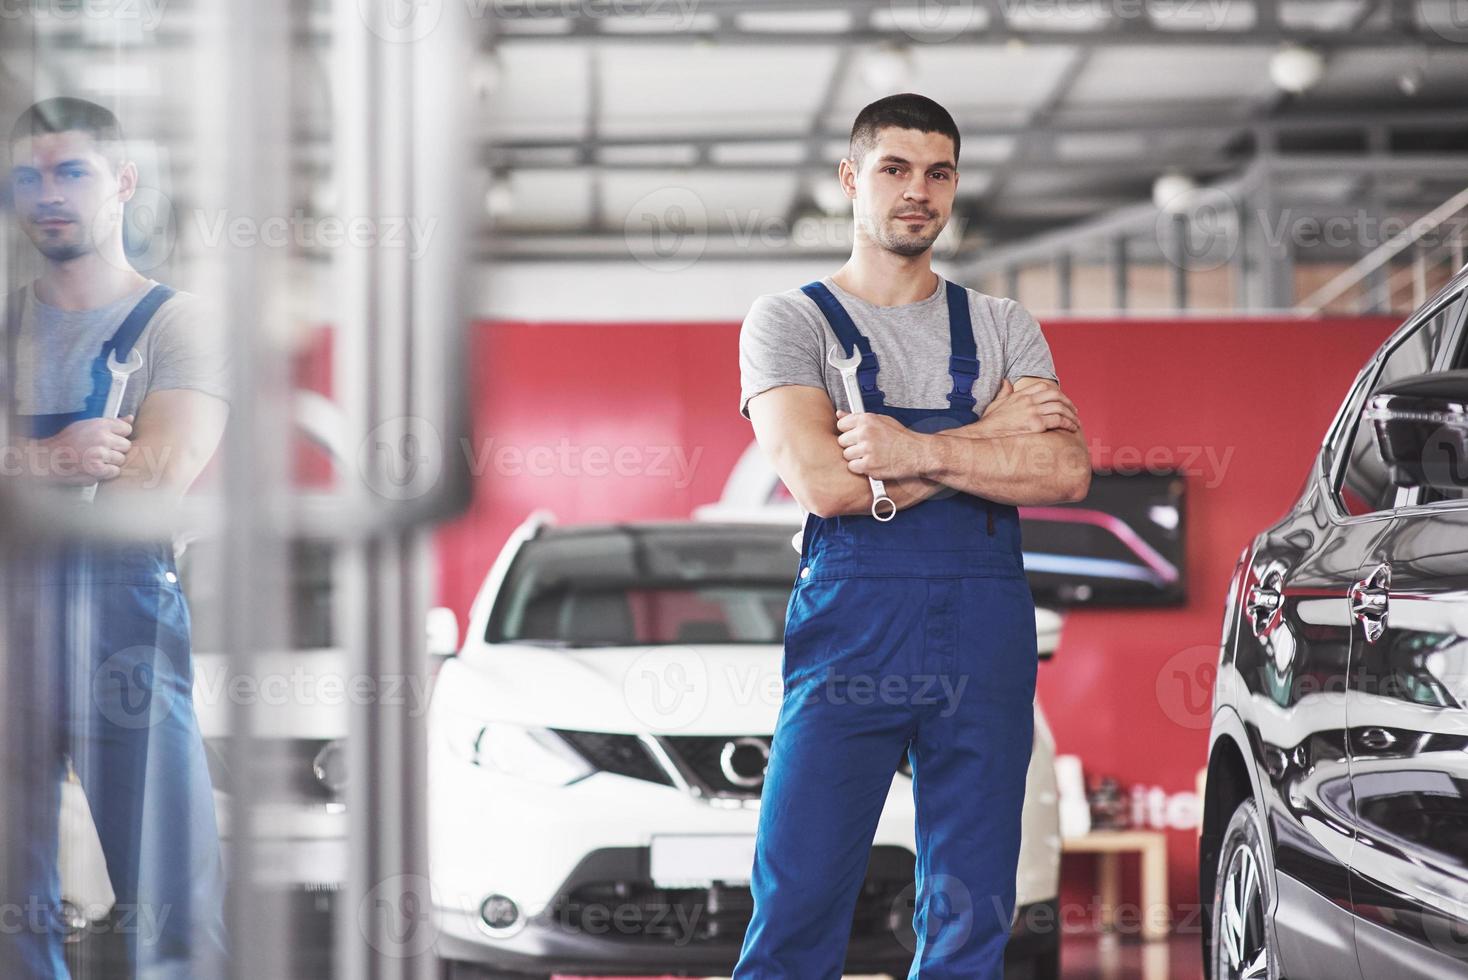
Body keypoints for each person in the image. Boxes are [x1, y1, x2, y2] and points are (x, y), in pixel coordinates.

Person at [731, 93, 1090, 979]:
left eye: (938, 173)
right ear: (853, 179)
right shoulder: (790, 322)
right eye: (894, 168)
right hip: (853, 630)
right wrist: (987, 438)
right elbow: (824, 484)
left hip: (985, 634)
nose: (917, 191)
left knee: (972, 904)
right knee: (799, 888)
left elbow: (1065, 472)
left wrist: (906, 452)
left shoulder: (1004, 324)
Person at [1, 96, 230, 979]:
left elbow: (149, 487)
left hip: (120, 629)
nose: (47, 194)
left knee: (171, 899)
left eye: (72, 171)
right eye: (27, 176)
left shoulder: (181, 326)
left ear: (124, 182)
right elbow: (88, 475)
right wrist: (48, 458)